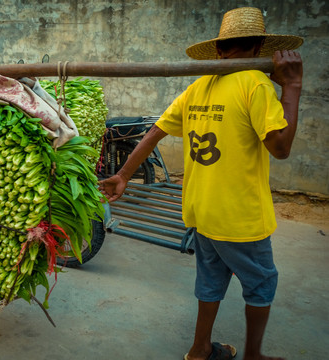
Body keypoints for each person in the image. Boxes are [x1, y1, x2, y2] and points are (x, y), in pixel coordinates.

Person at [99, 7, 302, 360]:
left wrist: (124, 175)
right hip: (240, 218)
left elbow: (156, 131)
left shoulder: (199, 85)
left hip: (201, 211)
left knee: (211, 281)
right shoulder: (255, 84)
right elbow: (280, 147)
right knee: (261, 284)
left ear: (221, 50)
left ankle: (199, 350)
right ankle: (254, 355)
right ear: (257, 48)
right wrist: (293, 86)